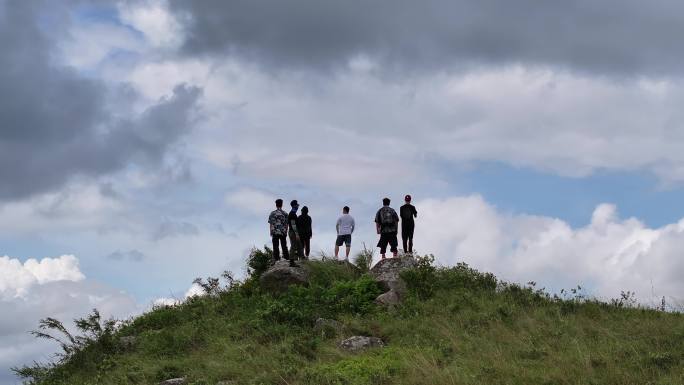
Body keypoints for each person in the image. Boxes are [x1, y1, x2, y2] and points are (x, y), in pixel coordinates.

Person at [288, 200, 302, 264]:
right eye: (297, 205)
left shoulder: (292, 213)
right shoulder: (292, 214)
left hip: (292, 231)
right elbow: (293, 224)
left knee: (298, 245)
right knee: (293, 246)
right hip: (293, 232)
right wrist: (296, 234)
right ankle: (291, 261)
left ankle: (301, 257)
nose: (298, 206)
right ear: (294, 206)